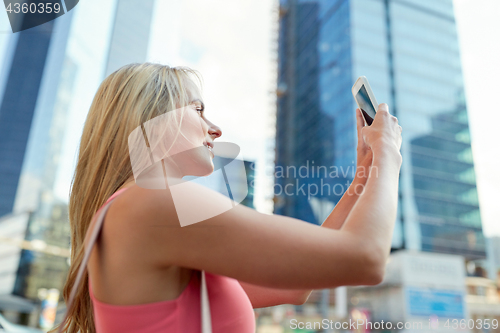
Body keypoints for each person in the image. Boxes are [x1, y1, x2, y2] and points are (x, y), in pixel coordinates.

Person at [51, 62, 402, 333]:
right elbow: (365, 258)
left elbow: (298, 287)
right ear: (153, 117)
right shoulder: (153, 204)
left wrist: (365, 175)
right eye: (198, 108)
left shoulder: (138, 211)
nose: (215, 129)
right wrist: (388, 153)